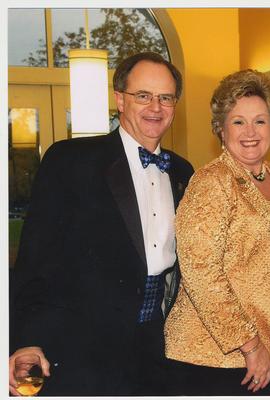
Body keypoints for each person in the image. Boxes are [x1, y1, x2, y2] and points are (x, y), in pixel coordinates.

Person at [8, 52, 194, 395]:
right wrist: (26, 340)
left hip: (159, 351)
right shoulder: (69, 161)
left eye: (165, 97)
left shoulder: (184, 172)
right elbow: (35, 260)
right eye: (143, 95)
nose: (156, 107)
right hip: (82, 352)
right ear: (119, 99)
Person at [163, 69, 270, 396]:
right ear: (221, 130)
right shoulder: (210, 183)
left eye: (260, 121)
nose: (250, 132)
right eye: (238, 121)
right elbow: (200, 272)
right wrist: (250, 345)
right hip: (218, 359)